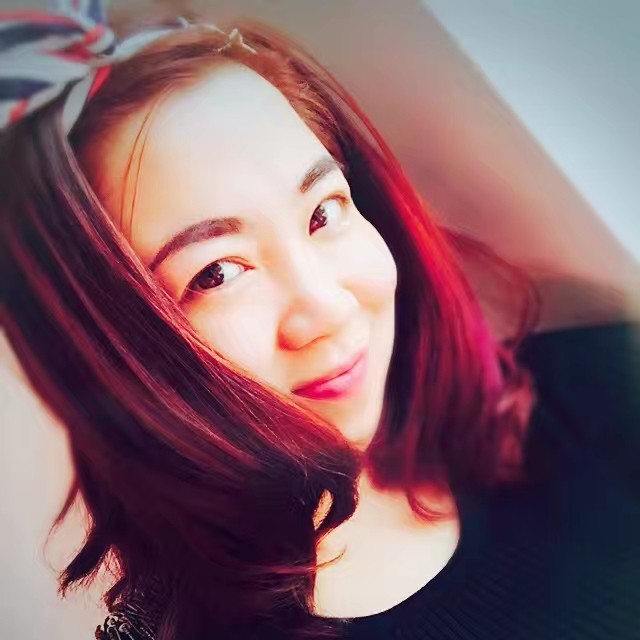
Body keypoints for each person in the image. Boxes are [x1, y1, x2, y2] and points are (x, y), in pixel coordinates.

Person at [1, 2, 639, 640]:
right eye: (217, 273)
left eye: (323, 212)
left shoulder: (582, 386)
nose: (328, 308)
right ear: (112, 362)